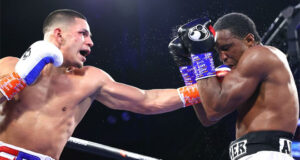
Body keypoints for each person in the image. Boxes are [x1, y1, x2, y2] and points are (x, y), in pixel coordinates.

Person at [0, 9, 203, 160]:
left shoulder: (90, 79)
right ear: (59, 34)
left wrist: (202, 89)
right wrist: (18, 78)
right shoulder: (9, 65)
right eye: (83, 33)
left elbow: (148, 100)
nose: (91, 42)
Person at [171, 13, 299, 160]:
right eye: (218, 52)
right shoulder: (250, 72)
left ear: (249, 40)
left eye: (226, 47)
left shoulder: (260, 55)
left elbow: (214, 109)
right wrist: (187, 66)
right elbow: (208, 117)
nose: (223, 57)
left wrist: (200, 54)